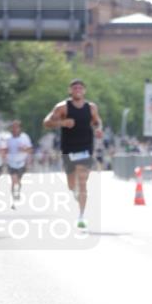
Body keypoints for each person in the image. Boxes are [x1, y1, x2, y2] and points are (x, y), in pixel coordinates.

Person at [43, 79, 103, 229]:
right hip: (69, 148)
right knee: (71, 184)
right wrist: (62, 123)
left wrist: (98, 128)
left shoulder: (91, 107)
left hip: (86, 147)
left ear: (84, 91)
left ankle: (81, 216)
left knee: (83, 181)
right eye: (74, 88)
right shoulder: (63, 107)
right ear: (70, 91)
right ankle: (75, 192)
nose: (77, 90)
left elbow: (97, 121)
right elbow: (46, 122)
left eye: (80, 88)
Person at [5, 119, 33, 207]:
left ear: (19, 128)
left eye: (16, 127)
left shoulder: (25, 137)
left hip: (21, 162)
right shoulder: (8, 138)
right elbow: (4, 150)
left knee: (18, 181)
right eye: (13, 127)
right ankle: (13, 198)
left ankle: (18, 192)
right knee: (13, 180)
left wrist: (24, 149)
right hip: (11, 162)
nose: (14, 129)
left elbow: (30, 150)